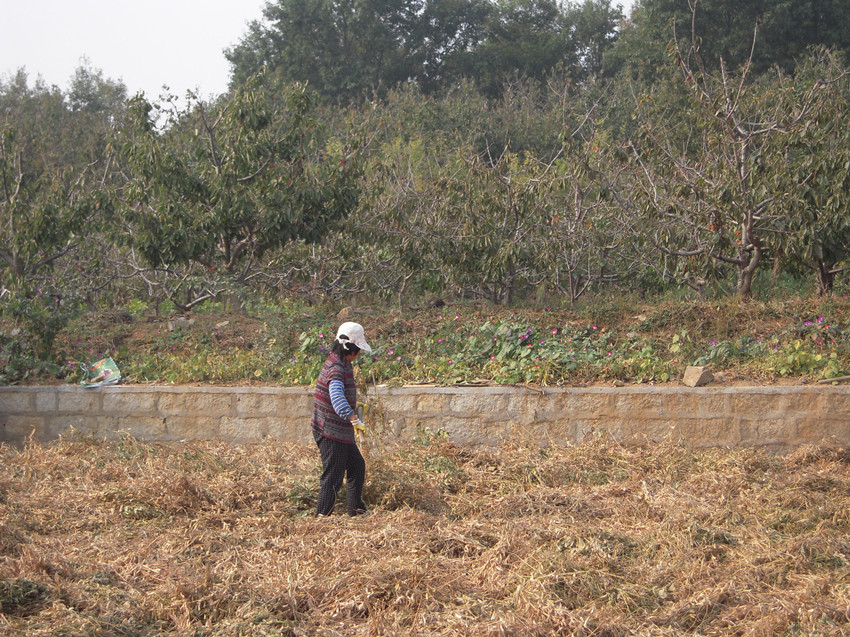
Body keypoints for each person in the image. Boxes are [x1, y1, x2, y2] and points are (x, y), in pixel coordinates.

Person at [311, 321, 373, 516]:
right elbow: (337, 398)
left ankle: (355, 510)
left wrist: (355, 407)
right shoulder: (336, 368)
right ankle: (322, 516)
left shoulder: (341, 362)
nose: (359, 355)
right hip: (329, 430)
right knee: (333, 476)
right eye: (359, 350)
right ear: (352, 349)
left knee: (357, 466)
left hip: (339, 430)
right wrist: (353, 417)